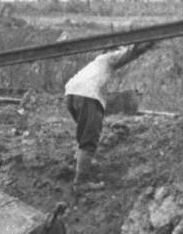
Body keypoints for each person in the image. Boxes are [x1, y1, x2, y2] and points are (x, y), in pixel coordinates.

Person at [63, 41, 154, 190]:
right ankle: (80, 182)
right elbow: (129, 53)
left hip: (71, 93)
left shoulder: (96, 64)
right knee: (89, 137)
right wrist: (147, 43)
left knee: (84, 131)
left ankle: (80, 161)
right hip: (87, 93)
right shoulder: (108, 59)